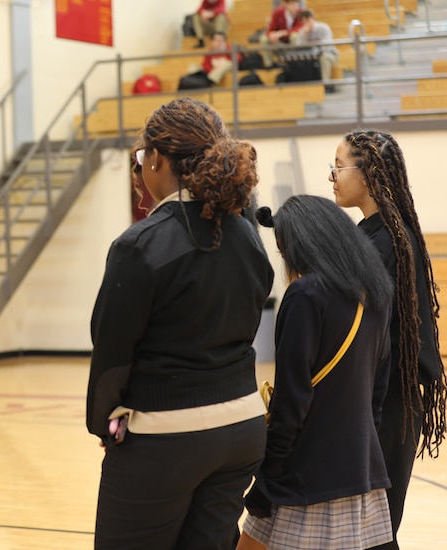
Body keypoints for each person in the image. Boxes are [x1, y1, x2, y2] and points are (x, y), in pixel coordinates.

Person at [86, 97, 275, 549]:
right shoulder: (246, 232)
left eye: (139, 157)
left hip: (166, 437)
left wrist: (103, 422)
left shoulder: (140, 244)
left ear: (154, 157)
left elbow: (112, 353)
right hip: (242, 430)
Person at [237, 195, 395, 550]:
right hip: (358, 469)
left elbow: (292, 401)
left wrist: (268, 473)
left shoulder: (305, 295)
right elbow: (376, 395)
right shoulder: (377, 294)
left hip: (306, 473)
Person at [331, 129, 447, 549]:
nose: (333, 175)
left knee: (375, 534)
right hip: (382, 401)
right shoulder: (374, 233)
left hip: (389, 405)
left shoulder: (388, 242)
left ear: (368, 174)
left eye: (339, 166)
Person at [295, 9, 339, 93]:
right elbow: (298, 47)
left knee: (324, 58)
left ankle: (326, 86)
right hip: (311, 56)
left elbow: (327, 45)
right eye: (304, 22)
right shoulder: (302, 32)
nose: (307, 24)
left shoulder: (323, 28)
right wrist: (304, 35)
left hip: (329, 54)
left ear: (313, 18)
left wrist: (313, 46)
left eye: (308, 20)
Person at [256, 0, 303, 69]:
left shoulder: (301, 13)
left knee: (294, 36)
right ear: (285, 5)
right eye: (293, 5)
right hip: (280, 42)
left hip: (295, 42)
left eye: (296, 5)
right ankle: (269, 65)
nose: (295, 8)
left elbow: (299, 29)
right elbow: (269, 30)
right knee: (264, 38)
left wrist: (283, 33)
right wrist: (272, 35)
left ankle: (294, 61)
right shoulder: (278, 13)